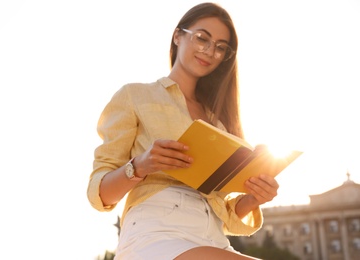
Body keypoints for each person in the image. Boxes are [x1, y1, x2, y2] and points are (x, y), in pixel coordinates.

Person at [87, 2, 279, 259]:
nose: (210, 51)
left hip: (212, 238)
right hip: (155, 233)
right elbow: (98, 193)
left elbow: (227, 216)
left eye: (220, 47)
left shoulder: (220, 124)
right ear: (178, 36)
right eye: (202, 38)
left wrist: (254, 198)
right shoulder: (135, 96)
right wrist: (141, 165)